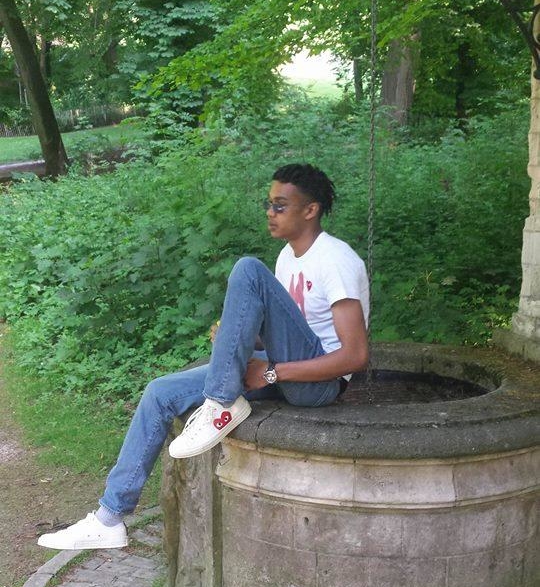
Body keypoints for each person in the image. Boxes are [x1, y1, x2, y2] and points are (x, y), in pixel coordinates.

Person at [38, 163, 369, 551]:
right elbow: (287, 330)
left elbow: (354, 357)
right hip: (285, 369)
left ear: (310, 210)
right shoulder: (287, 258)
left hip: (320, 386)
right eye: (268, 204)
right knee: (160, 392)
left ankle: (220, 403)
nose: (269, 212)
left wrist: (272, 373)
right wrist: (237, 336)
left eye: (280, 206)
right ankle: (109, 519)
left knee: (247, 269)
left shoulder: (336, 260)